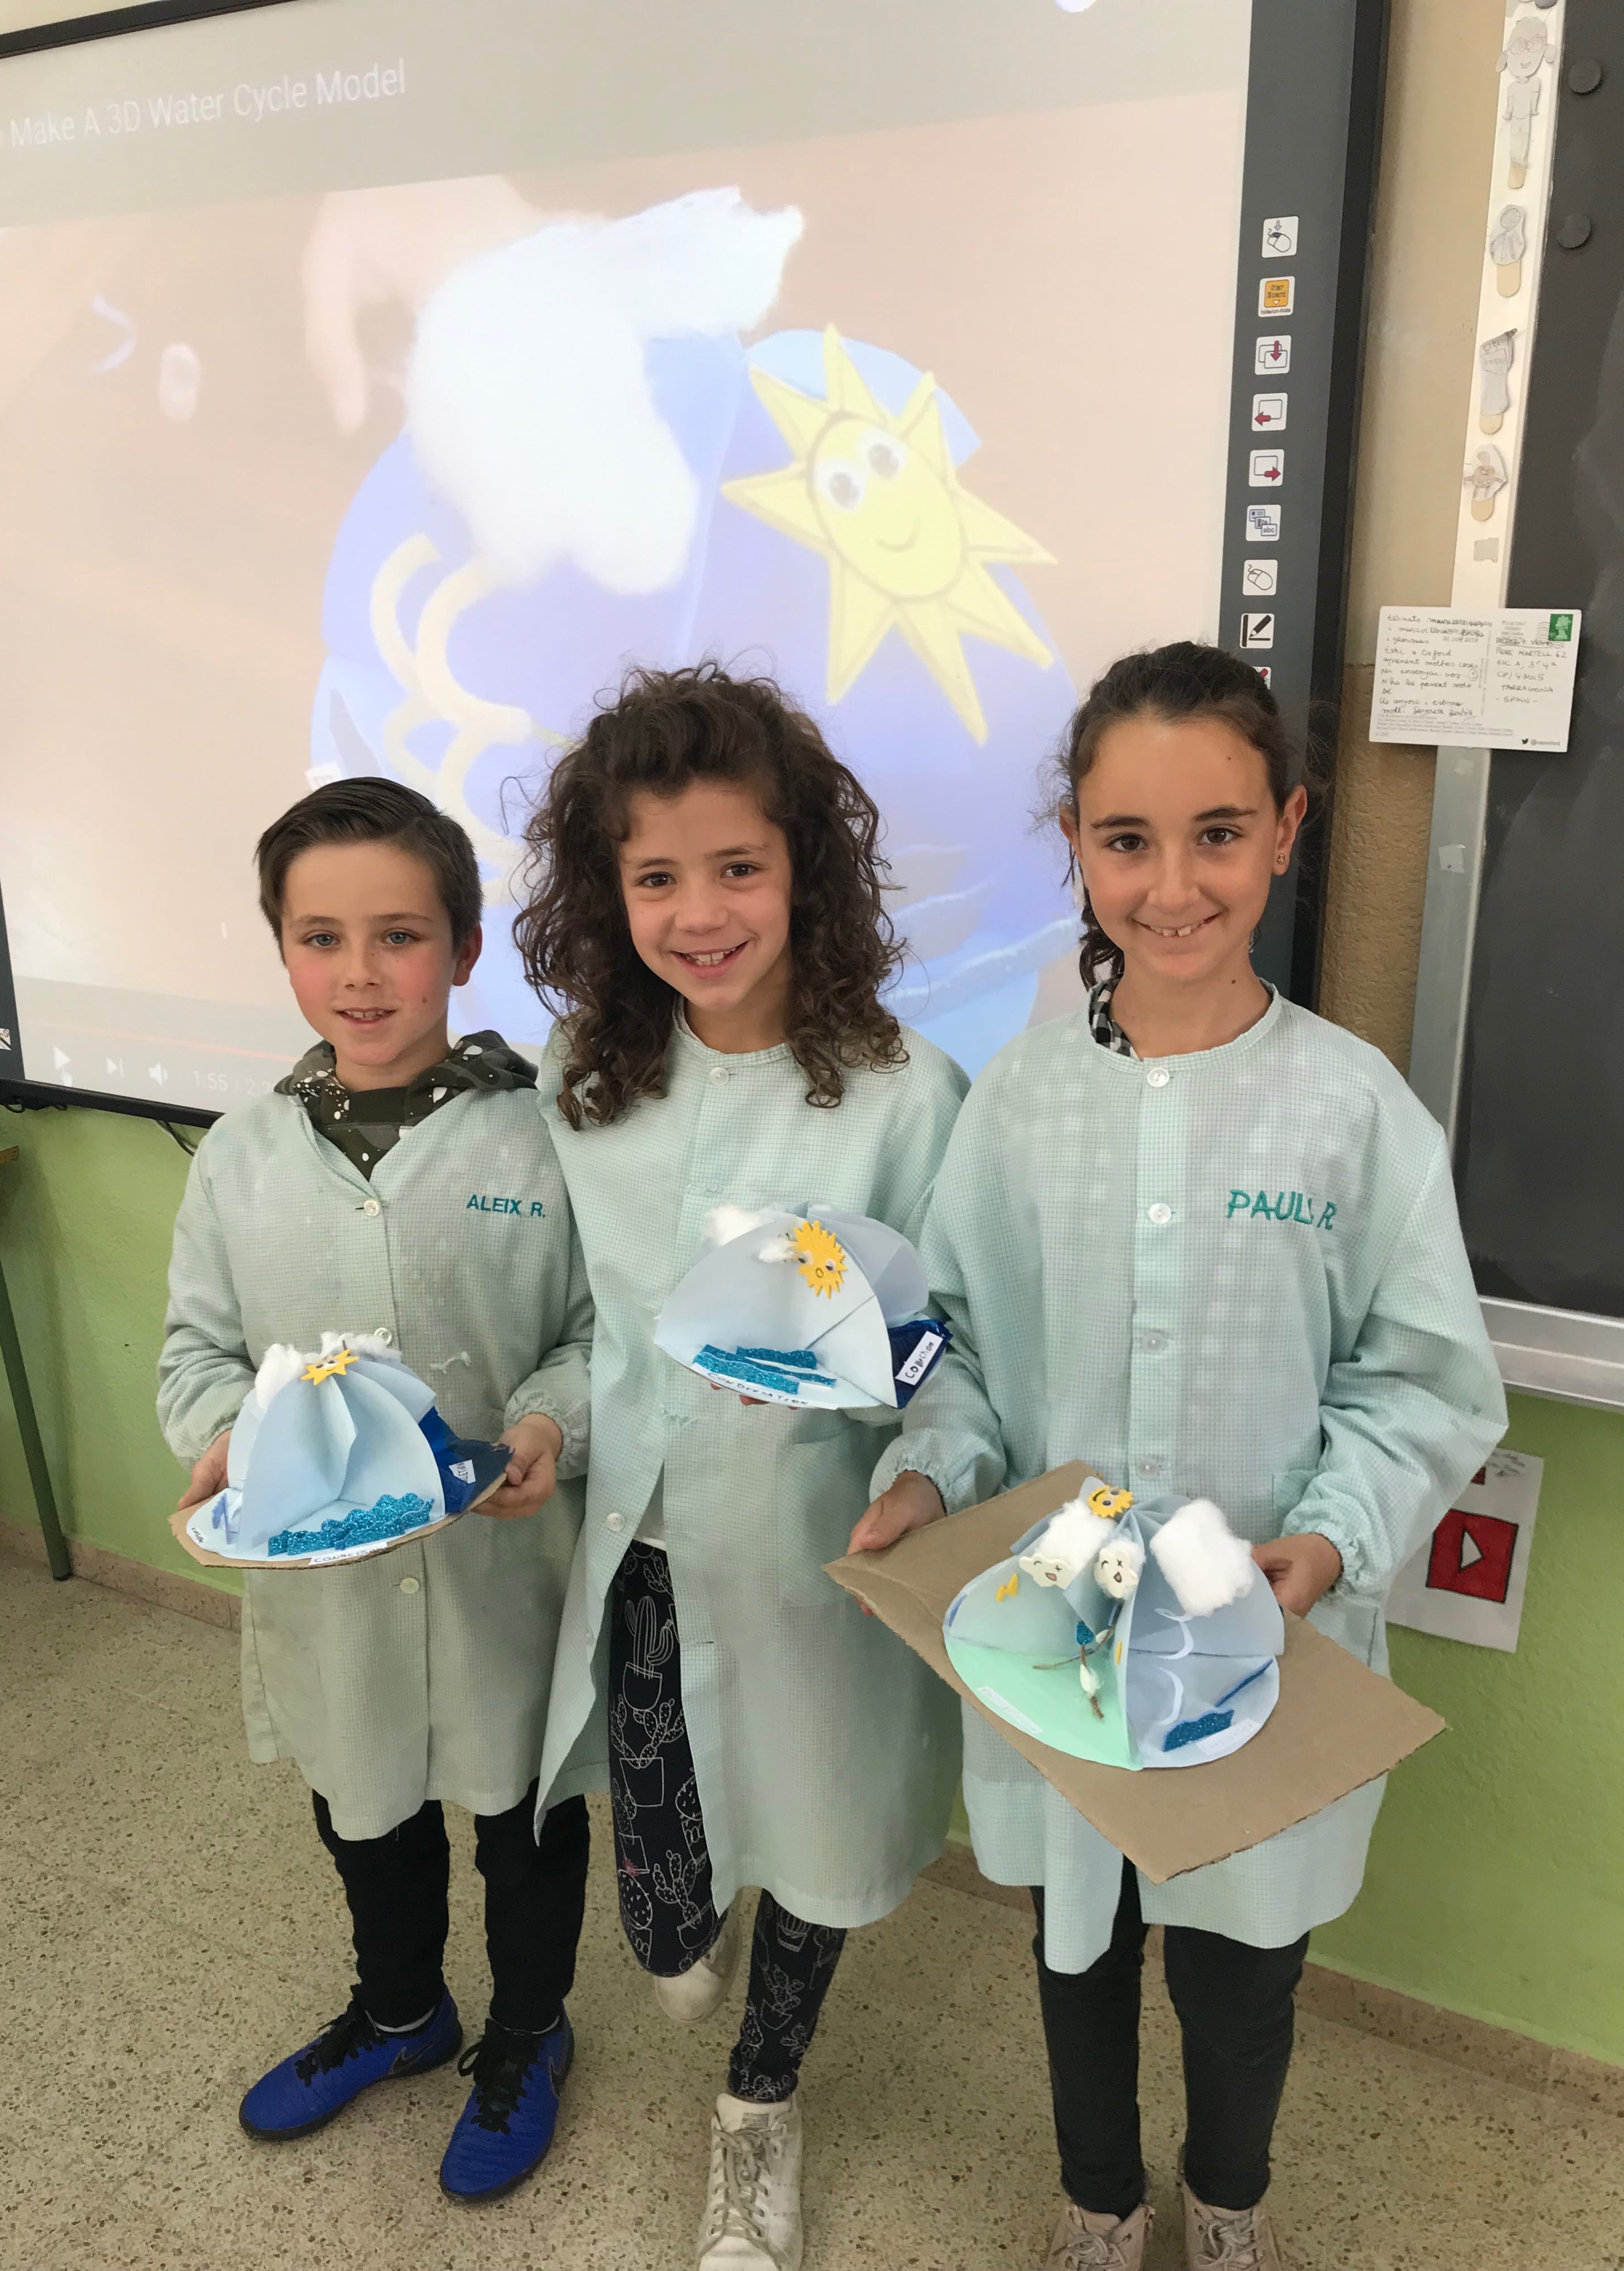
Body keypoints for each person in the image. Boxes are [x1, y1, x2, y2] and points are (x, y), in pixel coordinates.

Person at [858, 644, 1507, 2271]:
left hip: (1263, 1644)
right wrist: (930, 1473)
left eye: (1218, 834)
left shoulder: (1352, 1112)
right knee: (1075, 1952)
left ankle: (1227, 2209)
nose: (1173, 886)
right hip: (1059, 1639)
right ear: (1075, 844)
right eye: (1127, 841)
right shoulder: (1019, 1106)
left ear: (1286, 829)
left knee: (1242, 1972)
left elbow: (1421, 1383)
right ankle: (1099, 2206)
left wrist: (1335, 1536)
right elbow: (963, 1352)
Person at [515, 662, 966, 2271]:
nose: (700, 914)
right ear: (607, 890)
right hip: (644, 1546)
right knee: (662, 1906)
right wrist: (547, 1424)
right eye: (656, 877)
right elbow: (586, 1328)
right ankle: (683, 1931)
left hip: (818, 1550)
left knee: (819, 1839)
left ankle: (761, 2111)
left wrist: (924, 1470)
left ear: (805, 871)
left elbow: (956, 1344)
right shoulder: (584, 1082)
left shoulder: (907, 1096)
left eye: (738, 868)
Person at [157, 778, 595, 2203]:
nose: (361, 974)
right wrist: (229, 1440)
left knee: (524, 1816)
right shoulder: (240, 1158)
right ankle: (404, 2013)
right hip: (330, 1582)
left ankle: (529, 2031)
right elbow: (196, 1356)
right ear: (283, 948)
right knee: (366, 1800)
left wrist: (548, 1421)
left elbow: (601, 1331)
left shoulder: (548, 1139)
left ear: (463, 949)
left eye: (399, 936)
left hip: (506, 1568)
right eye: (321, 938)